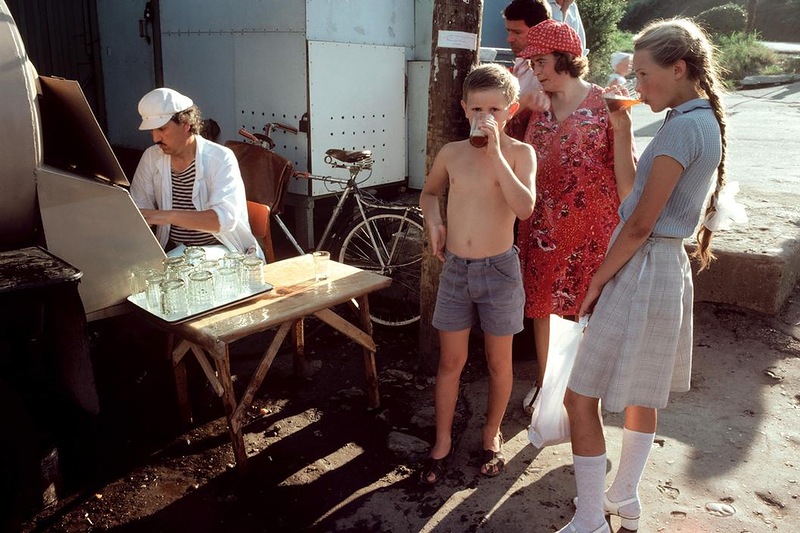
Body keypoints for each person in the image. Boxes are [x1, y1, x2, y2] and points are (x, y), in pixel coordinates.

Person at [558, 18, 728, 533]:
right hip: (665, 269)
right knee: (642, 393)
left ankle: (589, 519)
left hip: (642, 266)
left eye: (645, 74)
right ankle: (625, 500)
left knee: (579, 397)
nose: (638, 86)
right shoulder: (698, 121)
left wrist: (596, 281)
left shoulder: (682, 126)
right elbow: (634, 195)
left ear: (679, 69)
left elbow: (637, 224)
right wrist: (622, 126)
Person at [418, 63, 536, 485]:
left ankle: (491, 435)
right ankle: (443, 440)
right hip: (456, 270)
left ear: (512, 110)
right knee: (451, 361)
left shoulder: (522, 154)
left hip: (500, 271)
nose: (485, 116)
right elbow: (429, 193)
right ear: (464, 107)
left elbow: (524, 208)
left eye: (496, 109)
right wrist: (434, 223)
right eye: (477, 109)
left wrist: (497, 153)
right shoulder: (452, 153)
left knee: (498, 362)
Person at [516, 20, 632, 415]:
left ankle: (582, 394)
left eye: (542, 61)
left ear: (566, 59)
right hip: (543, 228)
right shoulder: (535, 107)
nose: (536, 70)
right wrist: (517, 112)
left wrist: (628, 226)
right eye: (532, 63)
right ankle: (547, 386)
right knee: (544, 309)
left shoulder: (606, 103)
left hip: (593, 231)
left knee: (586, 312)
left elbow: (625, 171)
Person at [131, 88, 262, 259]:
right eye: (151, 131)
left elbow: (222, 220)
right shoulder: (151, 157)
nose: (155, 138)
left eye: (162, 129)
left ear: (186, 124)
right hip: (176, 252)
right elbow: (139, 211)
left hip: (224, 250)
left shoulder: (220, 158)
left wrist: (166, 216)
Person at [502, 0, 552, 141]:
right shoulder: (521, 62)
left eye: (517, 32)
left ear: (540, 30)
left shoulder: (552, 69)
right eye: (508, 31)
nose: (509, 39)